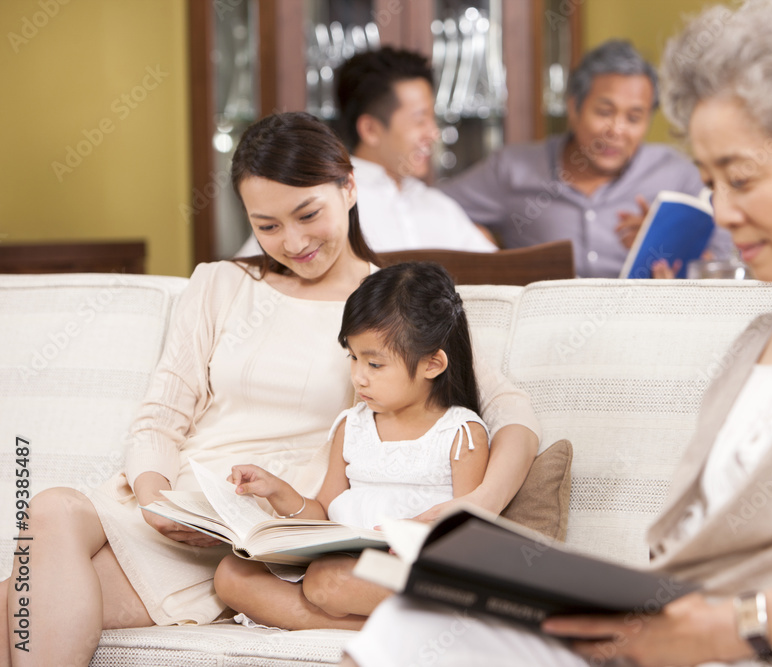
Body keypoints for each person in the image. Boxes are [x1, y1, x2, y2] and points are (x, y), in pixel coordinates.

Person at [341, 1, 772, 665]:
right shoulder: (760, 334)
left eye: (740, 178)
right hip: (683, 637)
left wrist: (736, 625)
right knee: (409, 625)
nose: (721, 210)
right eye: (709, 181)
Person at [1, 112, 539, 667]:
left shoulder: (389, 308)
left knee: (12, 609)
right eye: (268, 225)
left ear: (349, 187)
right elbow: (160, 416)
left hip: (255, 534)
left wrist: (476, 504)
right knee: (52, 509)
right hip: (170, 506)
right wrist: (155, 498)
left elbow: (509, 410)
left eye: (308, 214)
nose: (295, 242)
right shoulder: (220, 283)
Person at [213, 261, 490, 629]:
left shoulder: (460, 433)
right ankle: (380, 625)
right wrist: (277, 490)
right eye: (353, 358)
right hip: (340, 567)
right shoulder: (352, 425)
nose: (358, 376)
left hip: (411, 575)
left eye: (375, 364)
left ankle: (419, 619)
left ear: (432, 364)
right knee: (231, 575)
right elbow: (322, 515)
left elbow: (471, 539)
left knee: (329, 581)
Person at [438, 39, 733, 278]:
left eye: (634, 117)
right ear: (574, 108)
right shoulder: (512, 169)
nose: (617, 130)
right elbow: (430, 209)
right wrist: (483, 247)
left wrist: (663, 245)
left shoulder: (676, 173)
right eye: (604, 112)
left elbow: (727, 260)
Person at [236, 48, 494, 258]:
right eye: (419, 120)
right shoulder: (324, 201)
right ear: (370, 129)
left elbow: (502, 275)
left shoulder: (437, 206)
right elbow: (246, 279)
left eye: (432, 118)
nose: (433, 133)